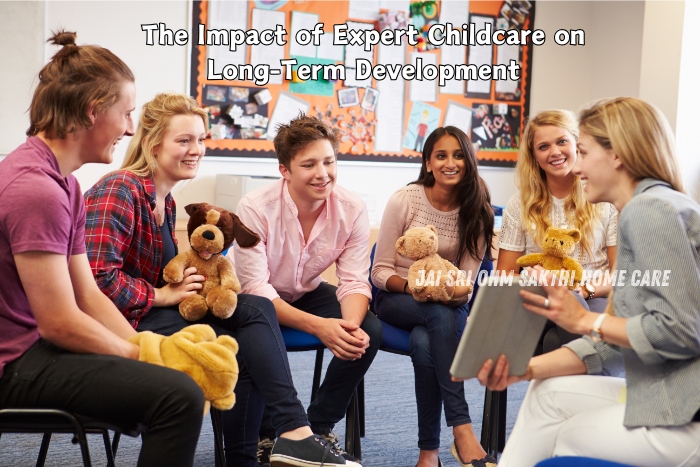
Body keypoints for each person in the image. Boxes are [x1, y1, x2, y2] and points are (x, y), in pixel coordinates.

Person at [84, 95, 358, 467]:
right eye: (184, 141)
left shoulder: (164, 202)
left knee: (245, 330)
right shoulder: (121, 189)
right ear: (153, 144)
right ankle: (291, 436)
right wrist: (162, 296)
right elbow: (96, 279)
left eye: (201, 139)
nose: (196, 150)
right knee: (255, 311)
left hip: (150, 314)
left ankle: (262, 450)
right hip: (121, 325)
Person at [0, 31, 205, 466]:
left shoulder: (65, 184)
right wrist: (144, 358)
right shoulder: (35, 190)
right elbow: (59, 323)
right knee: (179, 394)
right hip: (12, 363)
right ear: (94, 112)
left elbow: (89, 294)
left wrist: (145, 348)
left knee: (171, 379)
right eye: (126, 113)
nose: (130, 127)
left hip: (32, 347)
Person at [475, 97, 700, 466]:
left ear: (618, 155)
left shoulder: (649, 212)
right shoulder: (649, 208)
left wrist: (584, 320)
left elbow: (679, 332)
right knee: (545, 392)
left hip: (683, 408)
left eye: (582, 151)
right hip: (663, 393)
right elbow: (615, 344)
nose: (576, 166)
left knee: (564, 434)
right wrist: (524, 370)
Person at [232, 114, 382, 465]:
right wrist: (320, 327)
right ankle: (271, 434)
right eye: (309, 164)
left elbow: (355, 280)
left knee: (369, 330)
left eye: (329, 161)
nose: (323, 173)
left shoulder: (352, 208)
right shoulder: (255, 207)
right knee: (258, 317)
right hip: (255, 301)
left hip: (307, 292)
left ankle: (315, 430)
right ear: (284, 170)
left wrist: (348, 328)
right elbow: (256, 287)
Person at [371, 126, 495, 467]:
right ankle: (462, 428)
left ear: (469, 162)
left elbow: (466, 282)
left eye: (458, 156)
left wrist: (446, 292)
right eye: (441, 155)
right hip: (397, 297)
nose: (450, 163)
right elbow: (379, 272)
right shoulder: (405, 200)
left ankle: (429, 453)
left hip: (445, 300)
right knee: (439, 318)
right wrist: (414, 287)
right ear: (428, 163)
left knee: (427, 344)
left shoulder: (477, 211)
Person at [497, 109, 617, 352]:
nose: (555, 152)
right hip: (536, 298)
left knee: (558, 337)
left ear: (577, 145)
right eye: (543, 147)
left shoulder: (604, 199)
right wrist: (540, 282)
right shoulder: (519, 204)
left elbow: (618, 274)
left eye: (562, 141)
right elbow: (504, 277)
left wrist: (584, 289)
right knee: (566, 333)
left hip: (591, 296)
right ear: (534, 157)